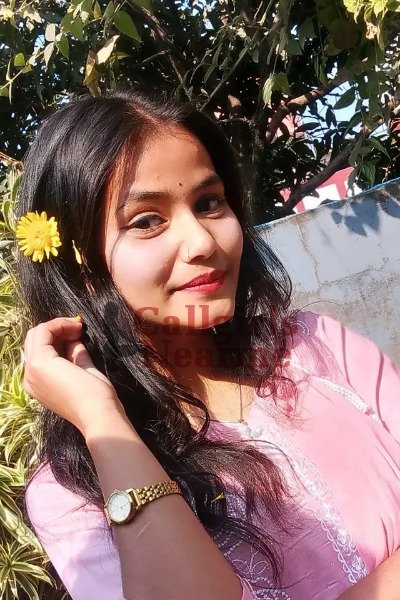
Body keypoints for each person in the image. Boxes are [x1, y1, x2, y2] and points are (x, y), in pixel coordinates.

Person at [16, 91, 400, 600]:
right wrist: (103, 420)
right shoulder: (73, 491)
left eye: (209, 203)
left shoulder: (317, 348)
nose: (202, 242)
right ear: (81, 267)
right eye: (147, 221)